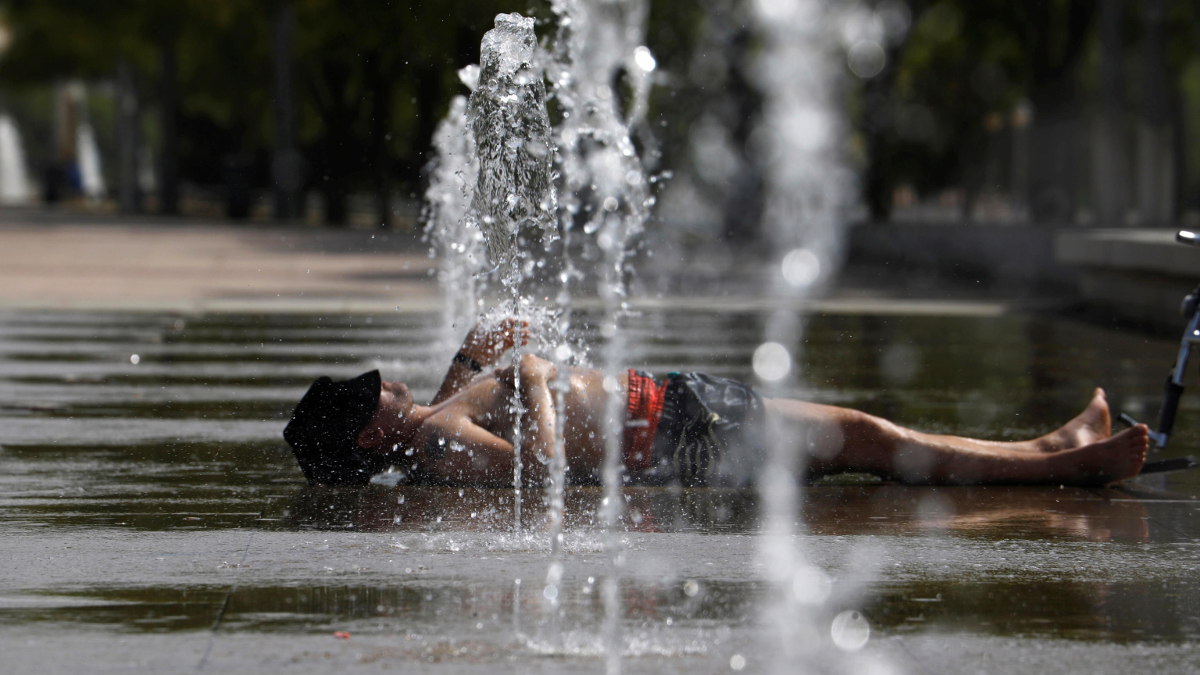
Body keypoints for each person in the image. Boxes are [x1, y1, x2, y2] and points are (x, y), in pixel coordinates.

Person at [283, 320, 1149, 489]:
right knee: (865, 437)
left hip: (670, 407)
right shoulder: (434, 445)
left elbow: (456, 417)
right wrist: (537, 377)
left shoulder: (428, 435)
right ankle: (1061, 460)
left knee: (862, 435)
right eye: (377, 393)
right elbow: (538, 475)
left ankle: (1050, 448)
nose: (390, 384)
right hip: (675, 428)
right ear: (369, 426)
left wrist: (473, 354)